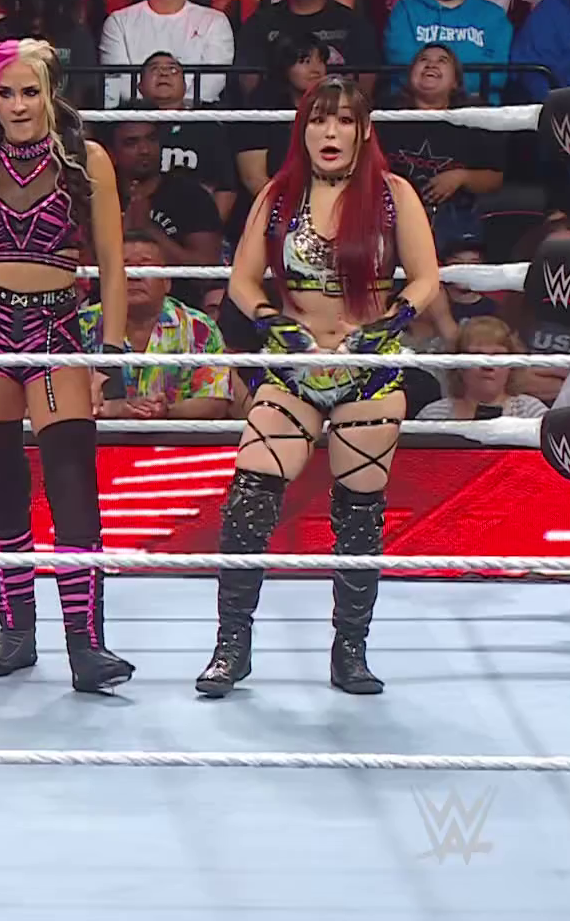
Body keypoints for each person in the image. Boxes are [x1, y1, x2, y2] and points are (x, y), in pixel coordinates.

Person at [198, 76, 440, 698]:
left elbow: (425, 278)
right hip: (293, 367)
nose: (330, 133)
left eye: (344, 121)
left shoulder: (392, 196)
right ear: (302, 130)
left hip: (368, 369)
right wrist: (272, 320)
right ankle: (231, 646)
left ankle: (350, 651)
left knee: (358, 514)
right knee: (249, 497)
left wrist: (388, 324)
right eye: (319, 120)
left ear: (364, 130)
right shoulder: (278, 197)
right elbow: (242, 280)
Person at [0, 38, 136, 694]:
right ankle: (15, 632)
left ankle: (86, 645)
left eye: (29, 92)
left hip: (55, 330)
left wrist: (111, 353)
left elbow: (112, 265)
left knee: (73, 483)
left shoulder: (87, 159)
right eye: (6, 92)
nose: (18, 105)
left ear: (50, 95)